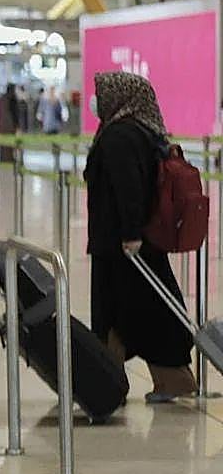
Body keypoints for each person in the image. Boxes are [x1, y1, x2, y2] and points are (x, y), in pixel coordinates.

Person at [85, 72, 195, 402]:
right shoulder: (141, 132)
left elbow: (128, 189)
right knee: (122, 313)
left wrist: (130, 234)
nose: (96, 100)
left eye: (102, 94)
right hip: (129, 241)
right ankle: (107, 381)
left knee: (133, 312)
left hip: (124, 243)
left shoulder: (120, 135)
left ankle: (126, 382)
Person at [0, 84, 21, 163]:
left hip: (1, 125)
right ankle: (9, 159)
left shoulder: (2, 99)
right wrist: (17, 126)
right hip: (10, 126)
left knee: (3, 145)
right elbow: (15, 114)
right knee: (10, 144)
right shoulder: (13, 99)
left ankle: (3, 159)